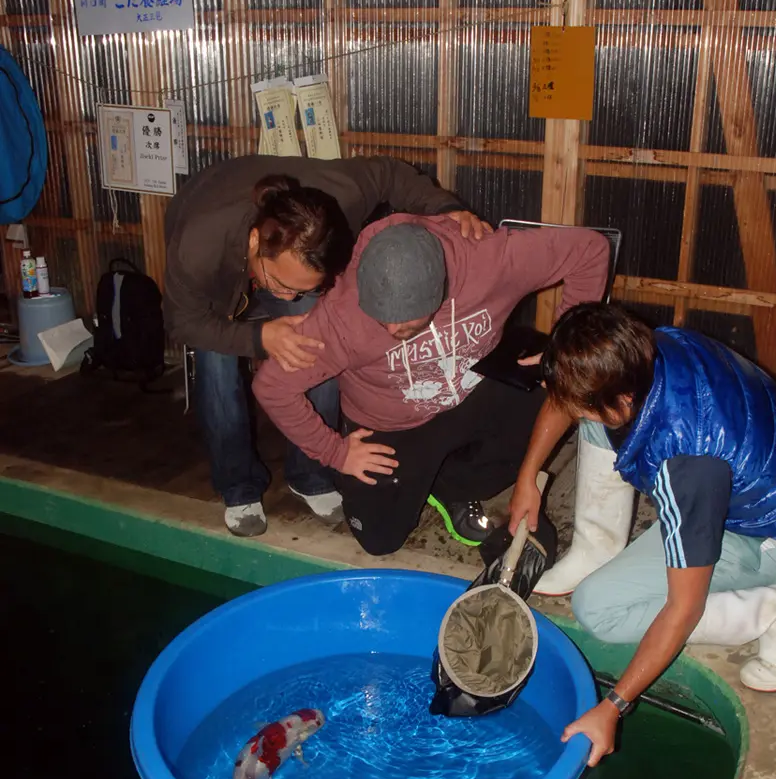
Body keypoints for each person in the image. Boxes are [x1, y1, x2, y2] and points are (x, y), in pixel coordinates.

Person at [509, 303, 776, 766]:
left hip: (775, 533)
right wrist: (529, 477)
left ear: (623, 401)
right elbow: (572, 398)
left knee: (596, 609)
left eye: (575, 402)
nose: (566, 408)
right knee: (596, 421)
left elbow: (684, 607)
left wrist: (612, 706)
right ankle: (594, 549)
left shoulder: (687, 466)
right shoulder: (645, 348)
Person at [164, 154, 487, 536]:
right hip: (214, 279)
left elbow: (388, 172)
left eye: (301, 287)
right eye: (282, 284)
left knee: (318, 345)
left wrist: (446, 209)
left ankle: (311, 474)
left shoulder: (338, 197)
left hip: (280, 255)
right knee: (217, 369)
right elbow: (181, 321)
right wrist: (259, 336)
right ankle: (238, 487)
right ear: (255, 241)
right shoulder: (198, 244)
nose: (285, 296)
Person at [253, 214, 610, 555]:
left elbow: (590, 249)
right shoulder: (340, 318)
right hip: (391, 423)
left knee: (555, 392)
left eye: (406, 325)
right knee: (380, 540)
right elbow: (272, 387)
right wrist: (336, 452)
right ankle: (425, 476)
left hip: (472, 391)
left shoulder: (490, 260)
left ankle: (452, 485)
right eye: (382, 319)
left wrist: (563, 351)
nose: (393, 332)